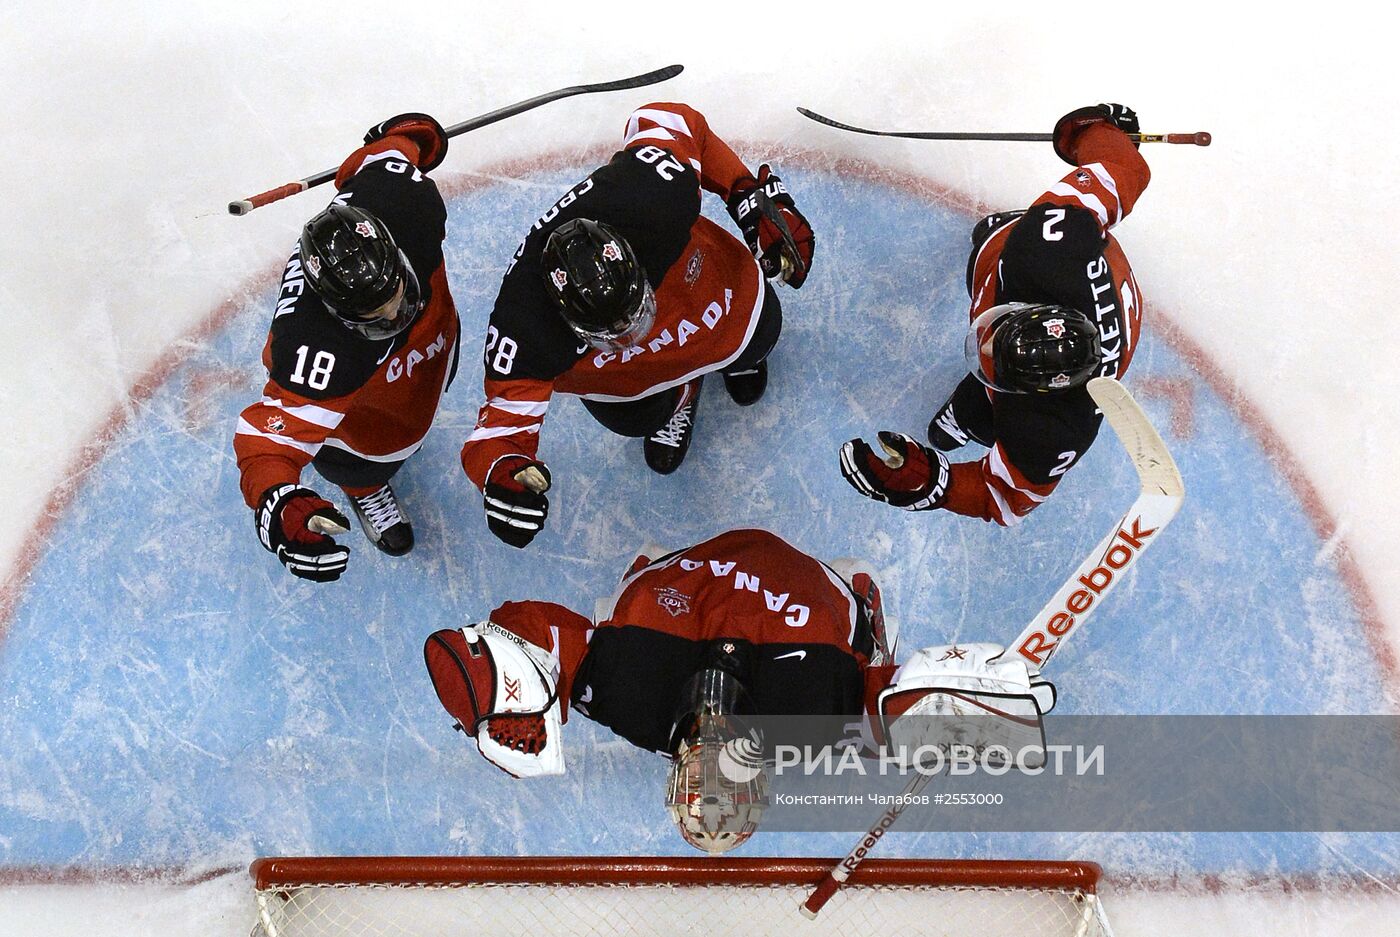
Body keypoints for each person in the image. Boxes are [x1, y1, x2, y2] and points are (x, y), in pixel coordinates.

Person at [423, 528, 1055, 853]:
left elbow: (889, 704)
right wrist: (491, 694)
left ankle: (862, 605)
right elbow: (530, 630)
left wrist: (959, 718)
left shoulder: (811, 716)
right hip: (690, 591)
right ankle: (663, 571)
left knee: (858, 653)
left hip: (793, 596)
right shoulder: (622, 694)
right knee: (628, 606)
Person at [460, 102, 815, 550]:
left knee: (759, 336)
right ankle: (684, 391)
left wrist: (748, 195)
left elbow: (672, 118)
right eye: (611, 332)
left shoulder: (650, 197)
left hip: (712, 297)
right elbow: (498, 433)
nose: (635, 333)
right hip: (626, 377)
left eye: (635, 310)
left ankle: (728, 361)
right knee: (635, 418)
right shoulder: (523, 327)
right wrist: (500, 471)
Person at [840, 104, 1150, 526]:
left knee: (986, 415)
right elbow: (1121, 167)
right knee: (990, 237)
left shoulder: (1054, 430)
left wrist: (937, 485)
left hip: (1064, 291)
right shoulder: (1047, 243)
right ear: (1030, 310)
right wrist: (1095, 132)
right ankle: (974, 403)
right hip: (1049, 259)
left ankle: (969, 416)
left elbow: (1002, 498)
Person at [233, 114, 459, 581]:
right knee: (361, 460)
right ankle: (367, 486)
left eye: (396, 289)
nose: (397, 310)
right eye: (374, 315)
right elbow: (266, 444)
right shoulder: (311, 349)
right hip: (365, 416)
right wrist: (279, 502)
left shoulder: (407, 201)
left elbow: (380, 161)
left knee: (428, 392)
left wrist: (409, 136)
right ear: (333, 310)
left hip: (432, 352)